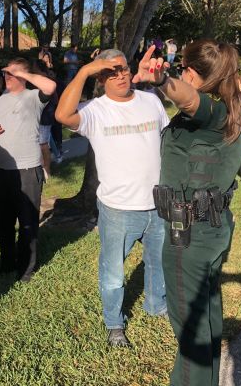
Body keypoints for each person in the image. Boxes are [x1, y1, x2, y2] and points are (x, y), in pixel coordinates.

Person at [132, 40, 241, 386]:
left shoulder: (213, 112)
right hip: (211, 230)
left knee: (191, 333)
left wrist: (161, 79)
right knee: (206, 323)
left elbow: (189, 99)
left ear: (192, 73)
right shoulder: (235, 108)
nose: (181, 73)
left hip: (189, 235)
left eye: (183, 68)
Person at [55, 49, 170, 348]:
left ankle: (157, 305)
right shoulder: (95, 110)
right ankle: (114, 323)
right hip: (118, 209)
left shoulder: (152, 101)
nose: (119, 75)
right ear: (100, 78)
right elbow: (62, 115)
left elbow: (167, 141)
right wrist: (82, 71)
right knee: (113, 271)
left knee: (159, 262)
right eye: (110, 71)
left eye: (123, 69)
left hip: (158, 203)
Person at [0, 58, 56, 282]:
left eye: (11, 73)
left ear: (23, 76)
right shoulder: (1, 100)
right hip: (3, 168)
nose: (6, 76)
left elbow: (50, 87)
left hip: (28, 169)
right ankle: (7, 263)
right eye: (5, 73)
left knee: (27, 222)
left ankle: (26, 269)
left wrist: (22, 73)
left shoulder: (33, 97)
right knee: (4, 222)